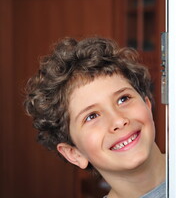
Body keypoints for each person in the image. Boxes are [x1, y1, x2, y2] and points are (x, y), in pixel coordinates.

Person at [24, 37, 166, 198]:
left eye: (123, 99)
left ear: (147, 105)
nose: (118, 121)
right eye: (91, 116)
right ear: (74, 153)